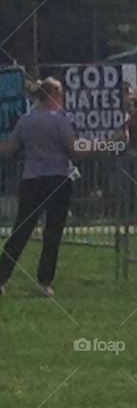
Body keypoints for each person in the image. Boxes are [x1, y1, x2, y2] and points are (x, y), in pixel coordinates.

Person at [0, 78, 83, 297]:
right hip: (58, 179)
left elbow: (9, 149)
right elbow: (75, 149)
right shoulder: (61, 120)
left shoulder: (25, 121)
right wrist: (106, 143)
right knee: (52, 233)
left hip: (31, 179)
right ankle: (44, 282)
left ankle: (1, 277)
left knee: (21, 231)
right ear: (55, 95)